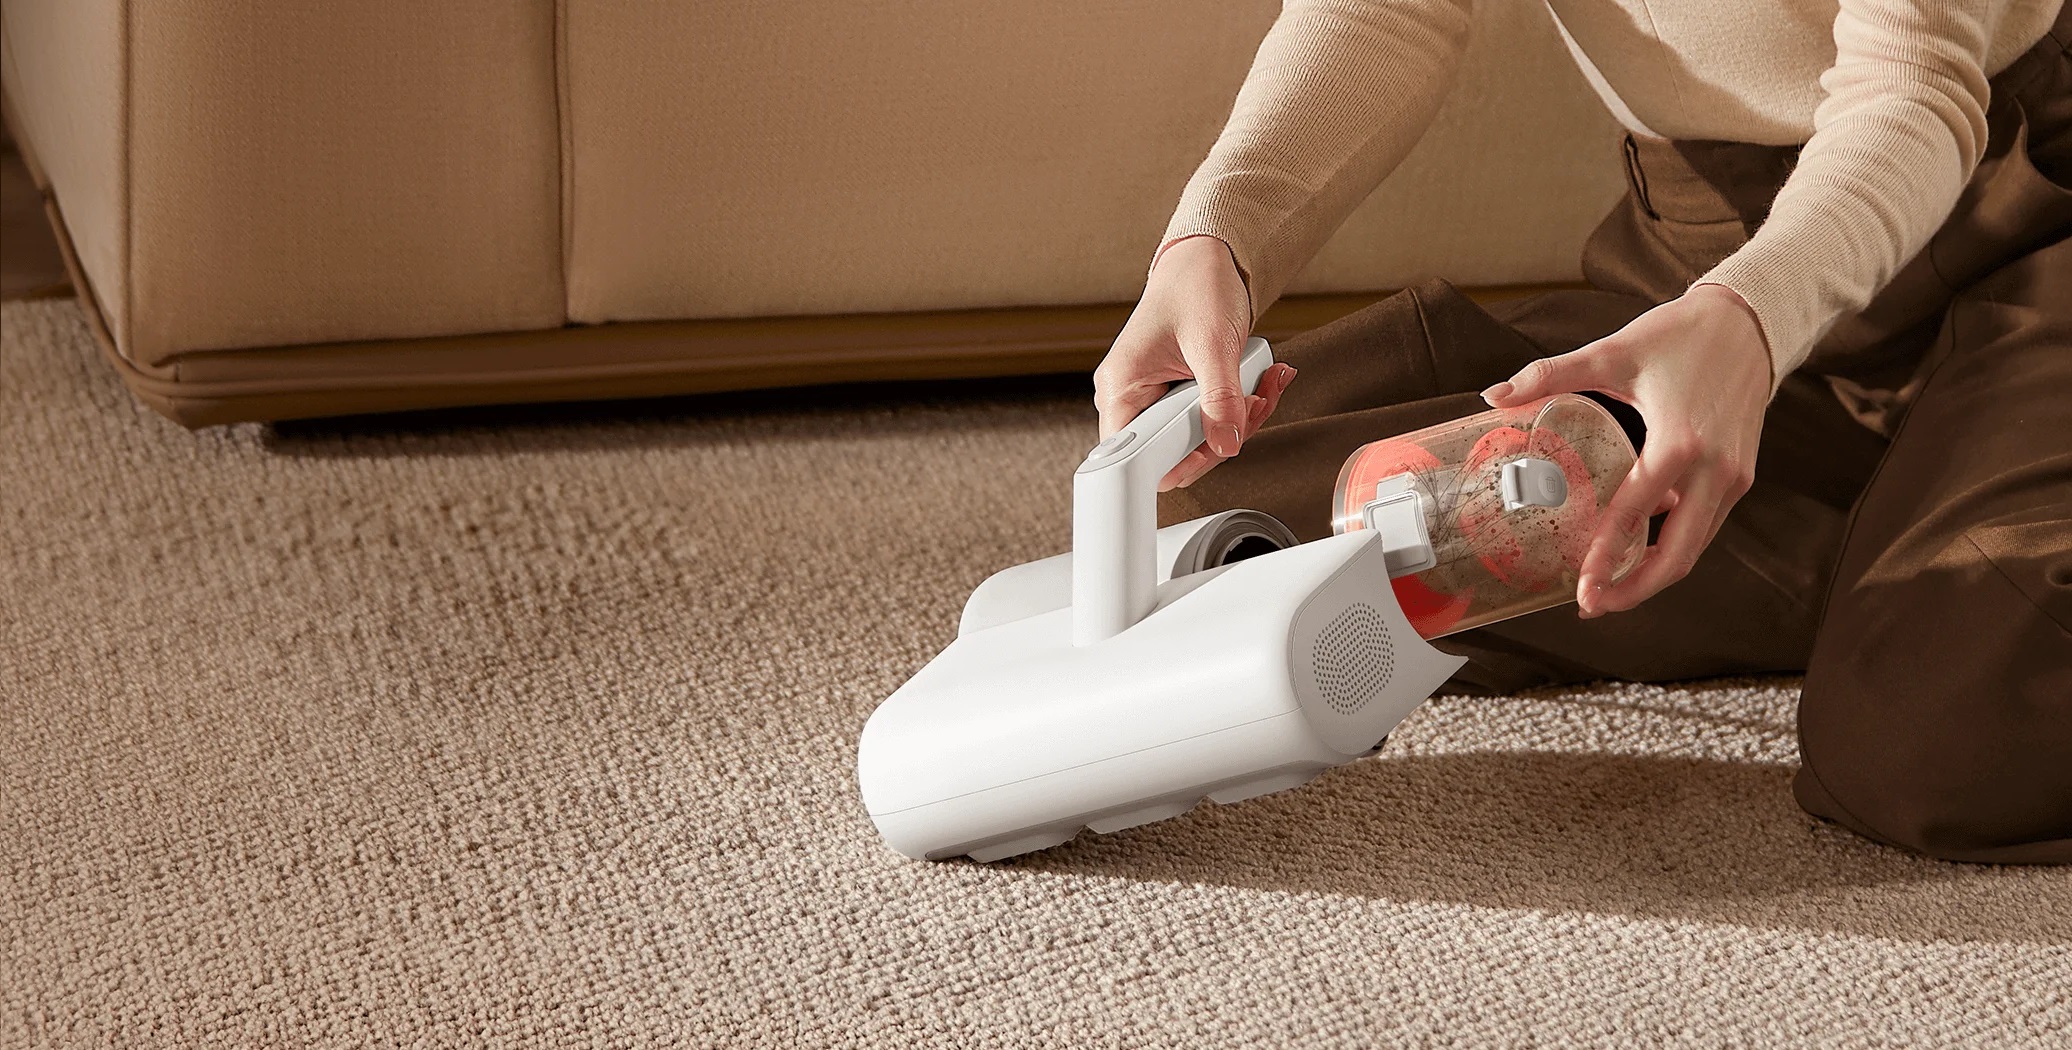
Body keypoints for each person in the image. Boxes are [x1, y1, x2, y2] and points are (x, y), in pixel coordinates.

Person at [1095, 0, 2071, 863]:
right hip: (1700, 275)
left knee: (1933, 748)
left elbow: (1912, 92)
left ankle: (1946, 579)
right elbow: (1382, 10)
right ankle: (1914, 555)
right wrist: (1216, 237)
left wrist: (1750, 320)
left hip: (2019, 240)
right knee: (1241, 515)